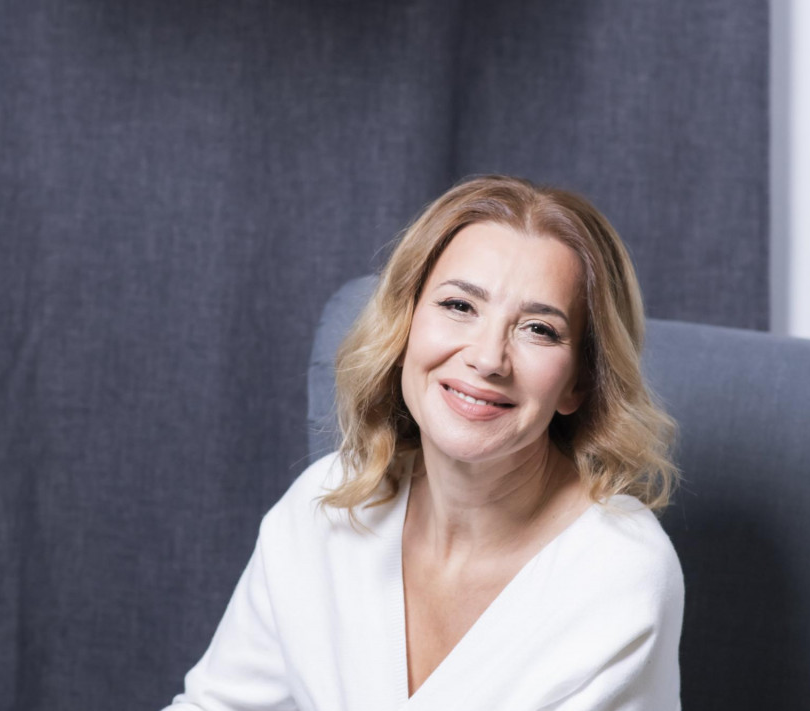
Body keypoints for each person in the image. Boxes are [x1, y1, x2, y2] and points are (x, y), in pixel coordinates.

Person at [164, 175, 684, 710]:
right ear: (404, 324)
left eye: (538, 329)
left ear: (579, 383)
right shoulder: (325, 504)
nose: (488, 358)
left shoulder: (619, 572)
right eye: (459, 306)